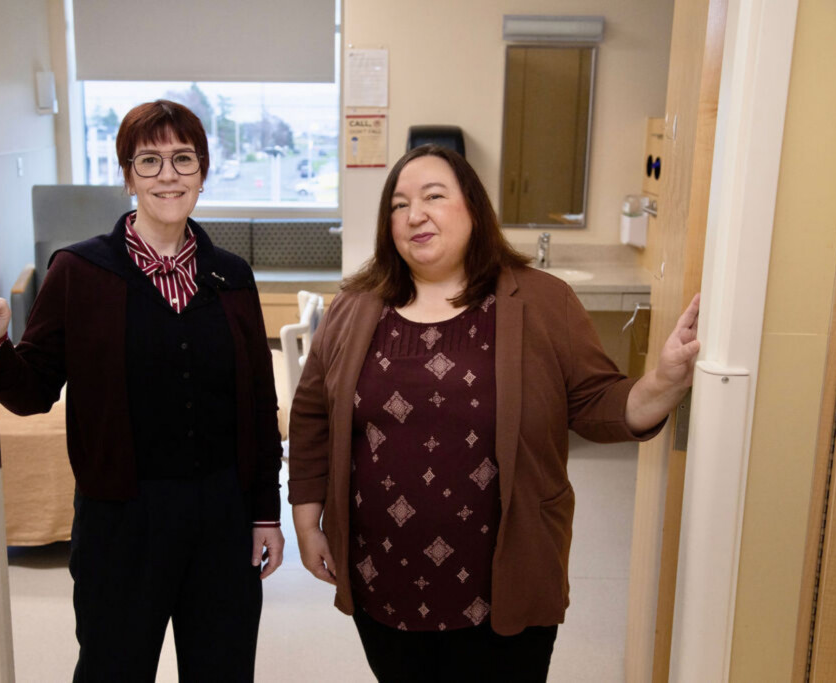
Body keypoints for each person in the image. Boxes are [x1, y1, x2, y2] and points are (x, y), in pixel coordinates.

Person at [288, 144, 699, 682]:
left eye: (435, 196)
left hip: (504, 583)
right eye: (399, 204)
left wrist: (664, 380)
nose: (415, 214)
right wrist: (306, 518)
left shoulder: (543, 301)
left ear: (474, 210)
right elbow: (313, 414)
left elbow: (598, 402)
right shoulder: (354, 308)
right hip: (381, 576)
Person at [0, 99, 284, 682]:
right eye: (148, 161)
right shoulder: (78, 271)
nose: (168, 175)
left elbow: (257, 403)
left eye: (183, 158)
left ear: (202, 171)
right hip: (120, 521)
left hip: (221, 518)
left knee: (222, 670)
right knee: (112, 670)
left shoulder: (231, 277)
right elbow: (30, 395)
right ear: (127, 176)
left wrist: (264, 513)